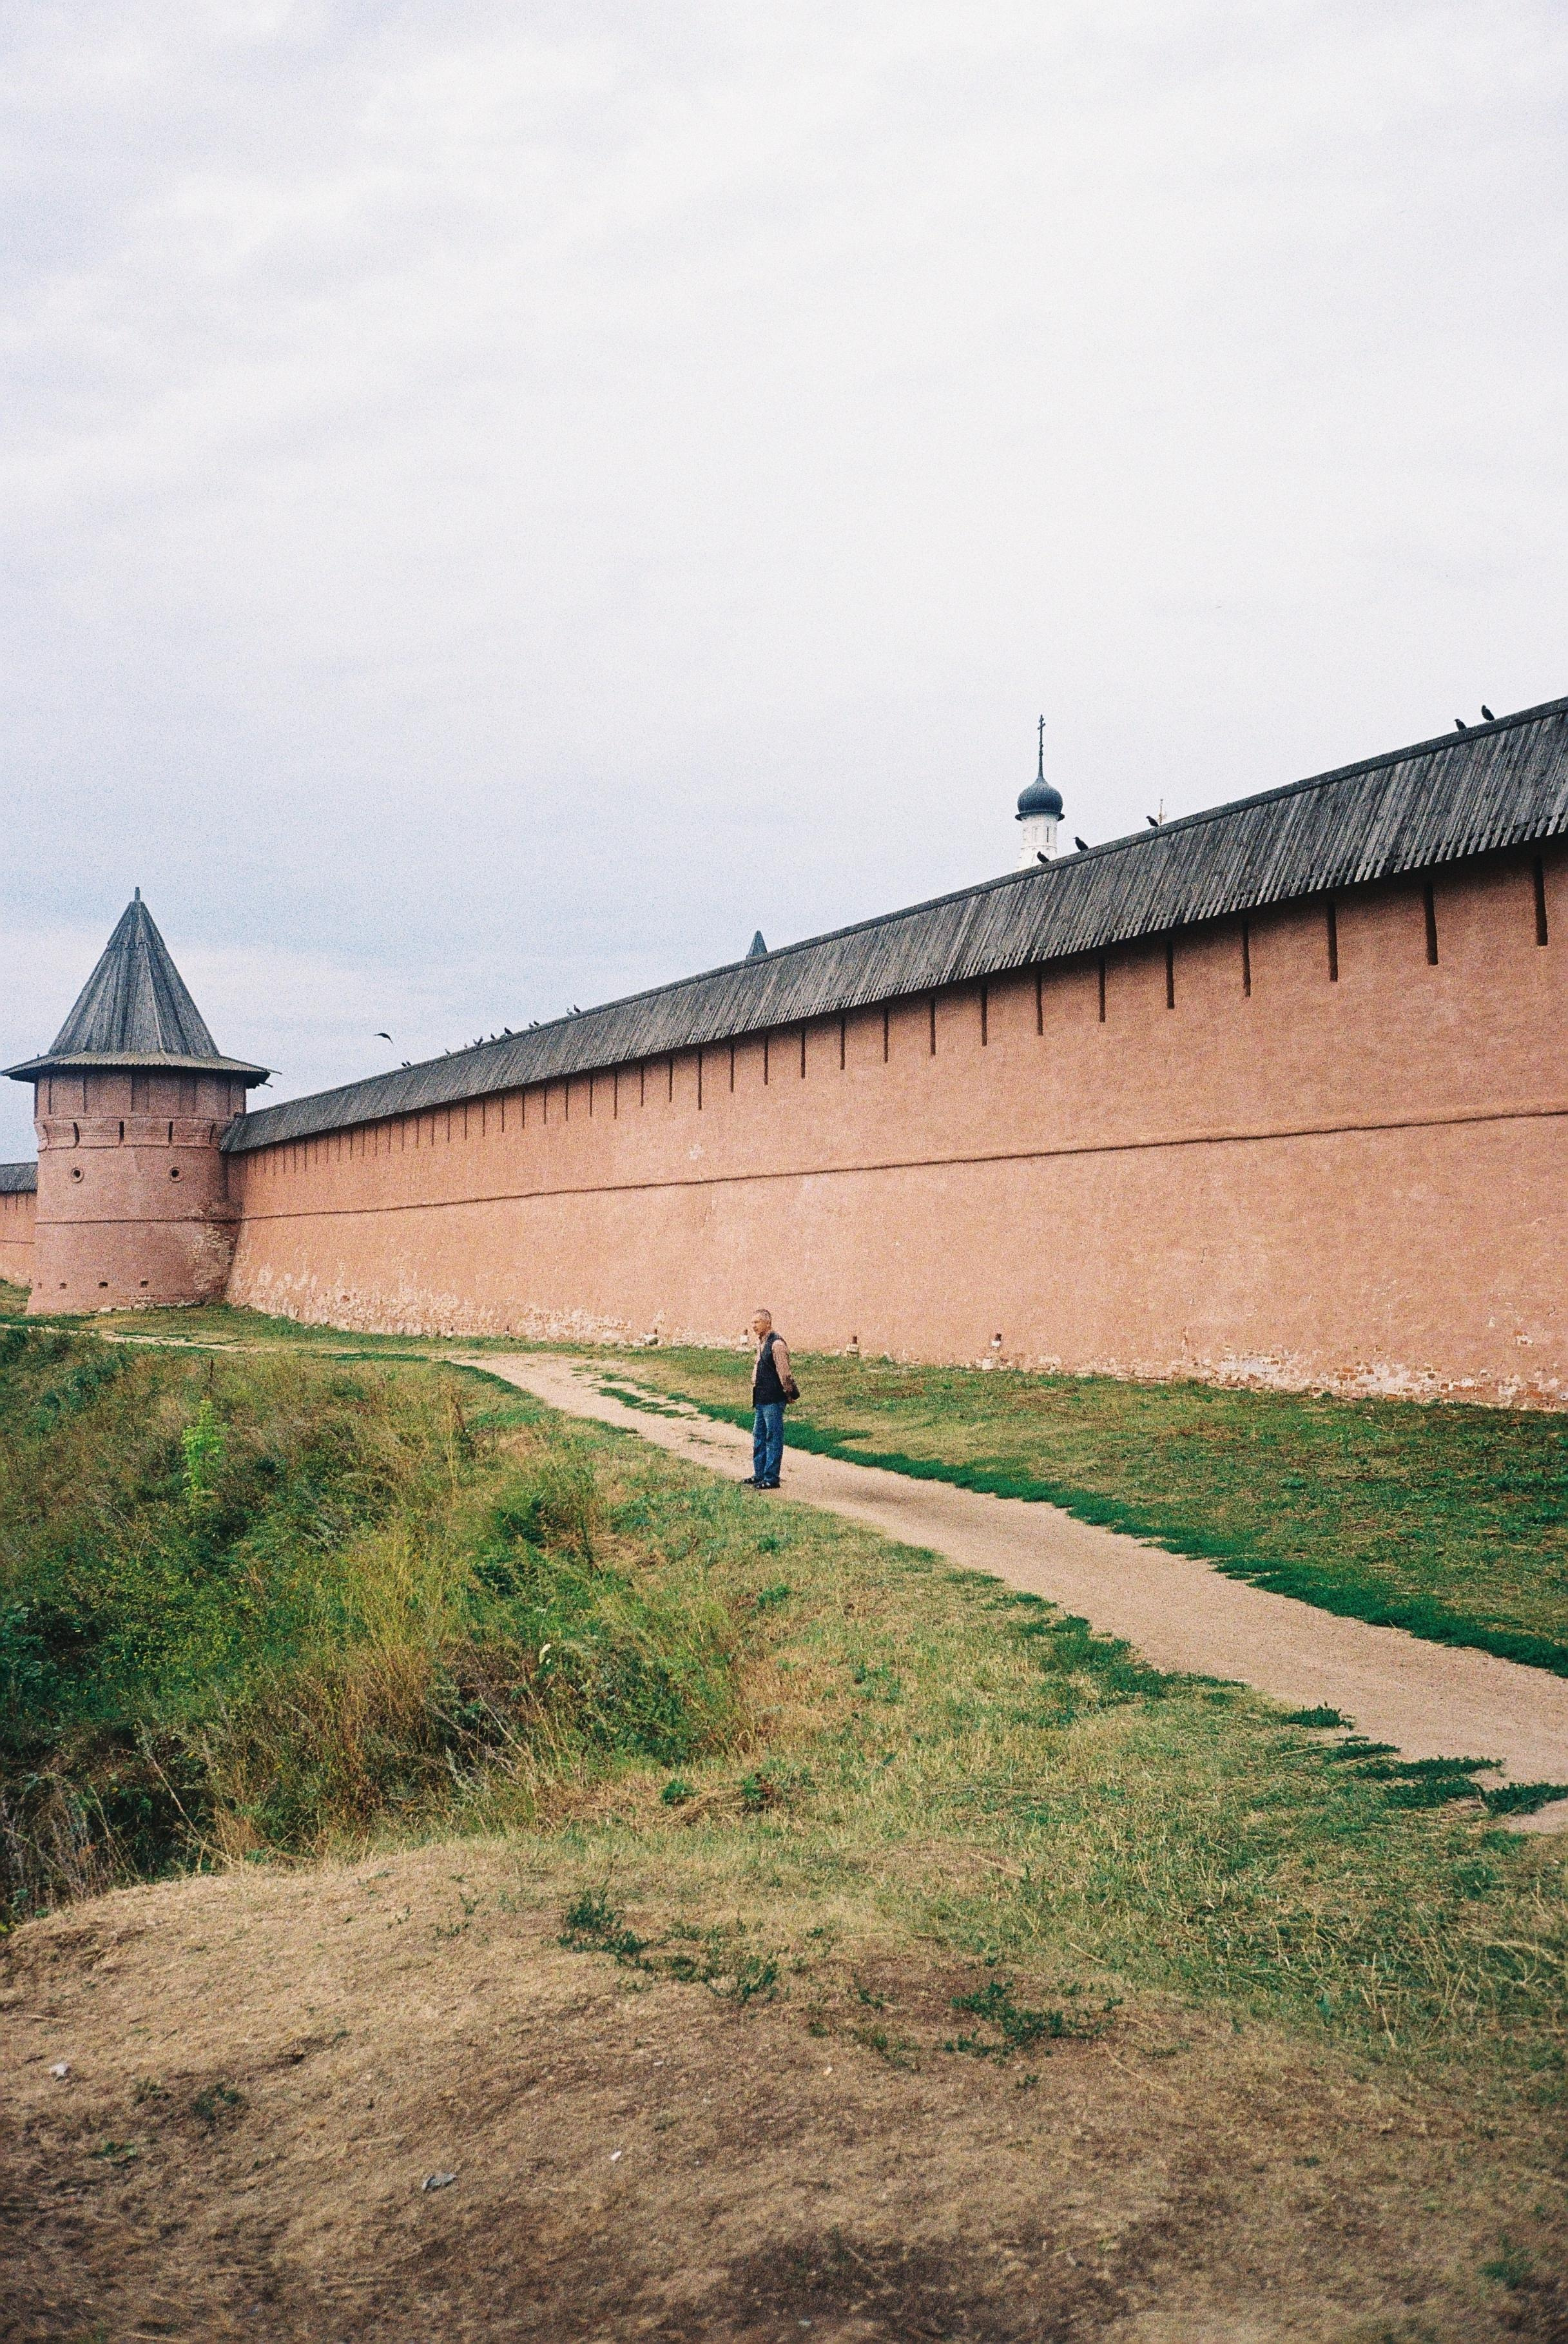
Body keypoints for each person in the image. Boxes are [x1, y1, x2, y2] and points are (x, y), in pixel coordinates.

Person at [743, 1308, 791, 1489]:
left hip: (773, 1399)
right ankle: (760, 1474)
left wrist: (789, 1393)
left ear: (768, 1323)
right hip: (761, 1399)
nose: (753, 1326)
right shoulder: (761, 1343)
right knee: (759, 1437)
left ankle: (772, 1478)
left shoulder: (776, 1344)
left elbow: (784, 1373)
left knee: (773, 1438)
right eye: (753, 1322)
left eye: (757, 1322)